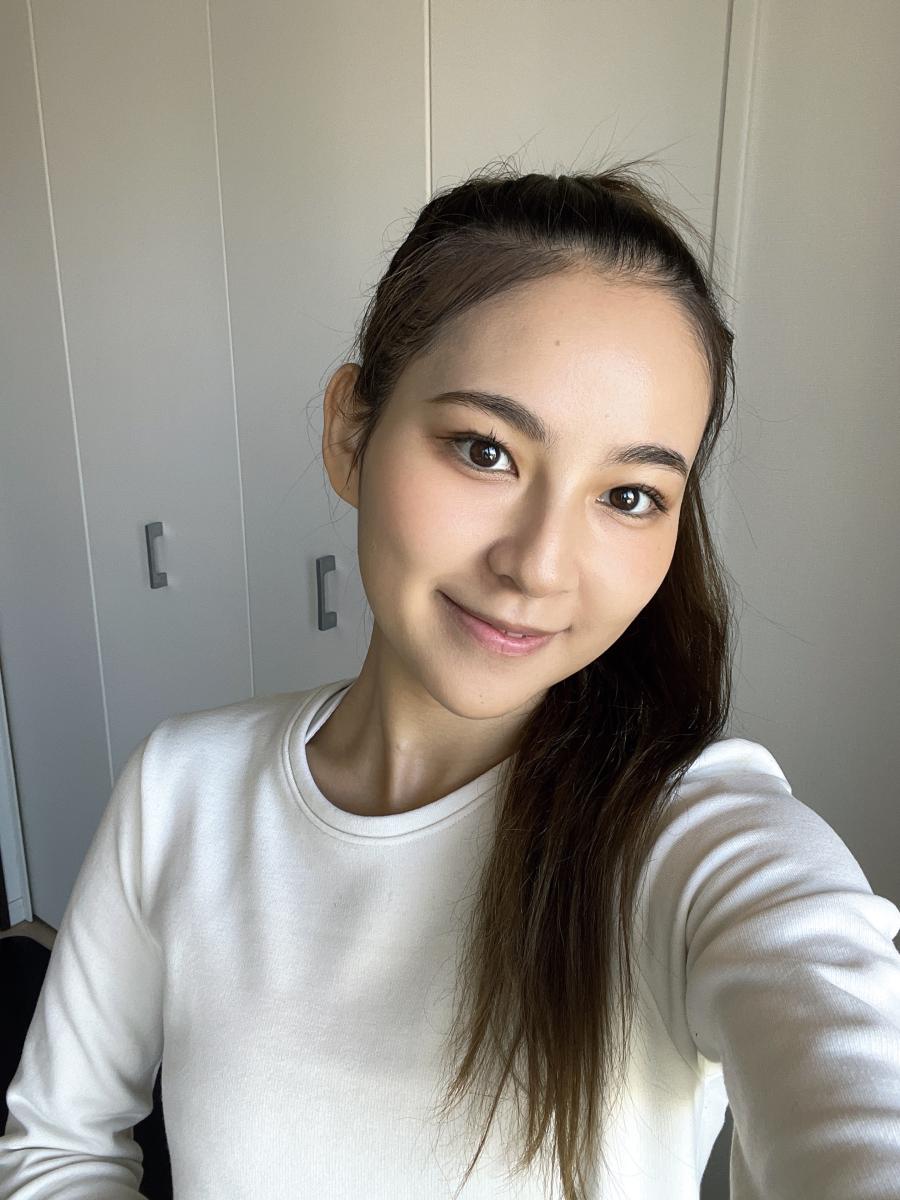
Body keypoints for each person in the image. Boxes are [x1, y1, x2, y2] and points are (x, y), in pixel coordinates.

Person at [2, 163, 899, 1200]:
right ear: (350, 431)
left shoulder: (688, 836)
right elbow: (60, 1145)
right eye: (485, 450)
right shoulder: (180, 790)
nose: (540, 567)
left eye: (629, 495)